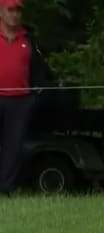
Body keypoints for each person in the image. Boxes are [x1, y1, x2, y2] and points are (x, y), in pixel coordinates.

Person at [0, 0, 48, 197]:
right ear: (1, 12)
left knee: (14, 147)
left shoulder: (29, 40)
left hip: (20, 101)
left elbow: (40, 71)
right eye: (10, 10)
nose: (15, 14)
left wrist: (34, 96)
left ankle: (5, 189)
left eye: (18, 10)